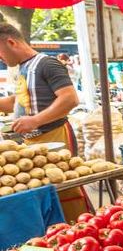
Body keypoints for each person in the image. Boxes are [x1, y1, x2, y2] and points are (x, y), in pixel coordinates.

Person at [0, 23, 91, 222]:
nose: (0, 58)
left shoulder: (47, 64)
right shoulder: (23, 68)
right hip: (32, 142)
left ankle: (81, 227)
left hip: (55, 136)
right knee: (45, 191)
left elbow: (70, 99)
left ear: (11, 42)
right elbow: (18, 102)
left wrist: (35, 120)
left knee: (64, 187)